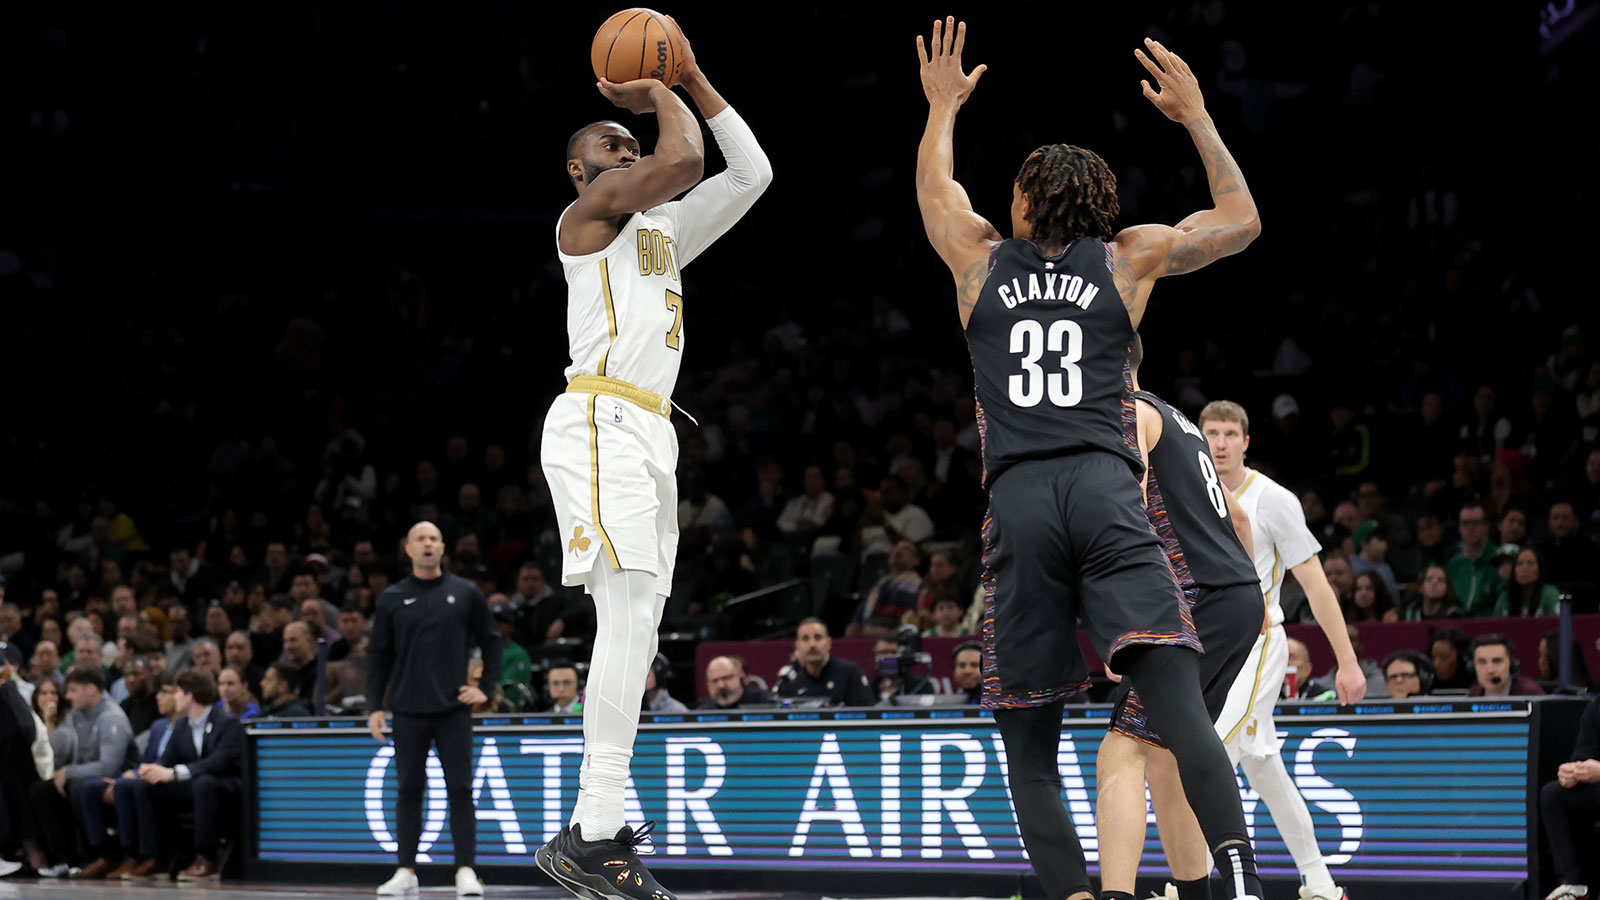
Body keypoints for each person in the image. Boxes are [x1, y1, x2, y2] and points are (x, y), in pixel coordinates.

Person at [914, 20, 1264, 899]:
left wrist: (942, 108)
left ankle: (1078, 894)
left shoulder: (977, 260)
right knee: (1177, 710)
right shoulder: (1130, 259)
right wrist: (1196, 117)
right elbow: (1240, 223)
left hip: (1023, 497)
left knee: (1030, 740)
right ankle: (1240, 880)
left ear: (1026, 202)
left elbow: (934, 193)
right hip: (1107, 491)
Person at [534, 20, 772, 900]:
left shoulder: (663, 230)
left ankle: (594, 830)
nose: (625, 144)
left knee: (637, 634)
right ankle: (593, 832)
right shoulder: (585, 216)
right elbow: (676, 161)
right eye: (609, 141)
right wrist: (660, 88)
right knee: (626, 620)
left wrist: (697, 74)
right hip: (598, 420)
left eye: (628, 139)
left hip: (650, 431)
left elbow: (750, 174)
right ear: (579, 170)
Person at [1096, 340, 1269, 900]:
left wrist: (1121, 623)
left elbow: (1126, 510)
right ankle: (1197, 893)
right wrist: (1253, 594)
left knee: (1122, 745)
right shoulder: (1177, 420)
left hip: (1193, 603)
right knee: (1169, 753)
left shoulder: (1126, 413)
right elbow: (1238, 515)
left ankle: (1118, 896)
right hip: (1234, 596)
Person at [1197, 398, 1368, 900]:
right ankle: (1319, 880)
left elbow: (1316, 585)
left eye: (1230, 434)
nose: (1220, 443)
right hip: (1208, 646)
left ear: (1246, 442)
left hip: (1258, 641)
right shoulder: (1187, 492)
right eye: (1211, 433)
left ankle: (1202, 880)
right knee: (1264, 767)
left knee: (1210, 754)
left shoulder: (1274, 500)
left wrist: (1348, 662)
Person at [366, 521, 500, 897]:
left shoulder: (466, 592)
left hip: (452, 710)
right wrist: (374, 705)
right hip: (407, 709)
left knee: (460, 789)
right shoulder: (392, 597)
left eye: (433, 539)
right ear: (407, 548)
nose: (427, 544)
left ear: (443, 547)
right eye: (420, 539)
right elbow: (378, 655)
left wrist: (485, 689)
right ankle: (406, 869)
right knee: (408, 789)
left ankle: (466, 870)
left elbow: (492, 641)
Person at [114, 668, 244, 882]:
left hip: (224, 786)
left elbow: (220, 762)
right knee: (144, 787)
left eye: (177, 692)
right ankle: (157, 858)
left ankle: (207, 858)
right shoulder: (183, 724)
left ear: (189, 695)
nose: (174, 697)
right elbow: (167, 759)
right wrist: (150, 771)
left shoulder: (227, 722)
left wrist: (175, 773)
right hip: (193, 784)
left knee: (204, 782)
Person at [28, 665, 136, 877]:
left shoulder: (111, 717)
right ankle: (64, 858)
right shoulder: (77, 714)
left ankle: (98, 854)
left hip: (118, 778)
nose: (67, 696)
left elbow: (109, 766)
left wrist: (68, 772)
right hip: (86, 776)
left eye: (73, 690)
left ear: (92, 689)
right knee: (42, 789)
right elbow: (62, 751)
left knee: (79, 787)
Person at [1539, 693, 1600, 900]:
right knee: (1553, 794)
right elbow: (1584, 756)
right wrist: (1573, 773)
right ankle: (1573, 886)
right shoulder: (1597, 707)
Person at [775, 619, 874, 707]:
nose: (812, 644)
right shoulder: (790, 681)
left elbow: (867, 712)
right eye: (805, 639)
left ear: (829, 643)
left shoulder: (851, 673)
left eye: (818, 638)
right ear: (797, 646)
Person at [1447, 501, 1503, 615]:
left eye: (1476, 523)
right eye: (1465, 523)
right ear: (1459, 528)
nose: (1470, 528)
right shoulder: (1454, 565)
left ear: (1486, 526)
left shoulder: (1501, 559)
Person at [1468, 634, 1544, 697]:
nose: (1490, 670)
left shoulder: (1530, 694)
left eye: (1497, 661)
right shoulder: (1474, 693)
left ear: (1512, 665)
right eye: (1482, 662)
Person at [1493, 547, 1561, 616]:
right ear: (1514, 571)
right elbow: (1495, 625)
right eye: (1519, 564)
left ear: (1540, 569)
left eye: (1530, 563)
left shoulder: (1550, 595)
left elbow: (1558, 624)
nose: (1524, 568)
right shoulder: (1504, 598)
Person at [697, 655, 774, 709]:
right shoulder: (703, 712)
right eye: (714, 681)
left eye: (726, 678)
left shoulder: (765, 702)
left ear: (741, 676)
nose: (721, 685)